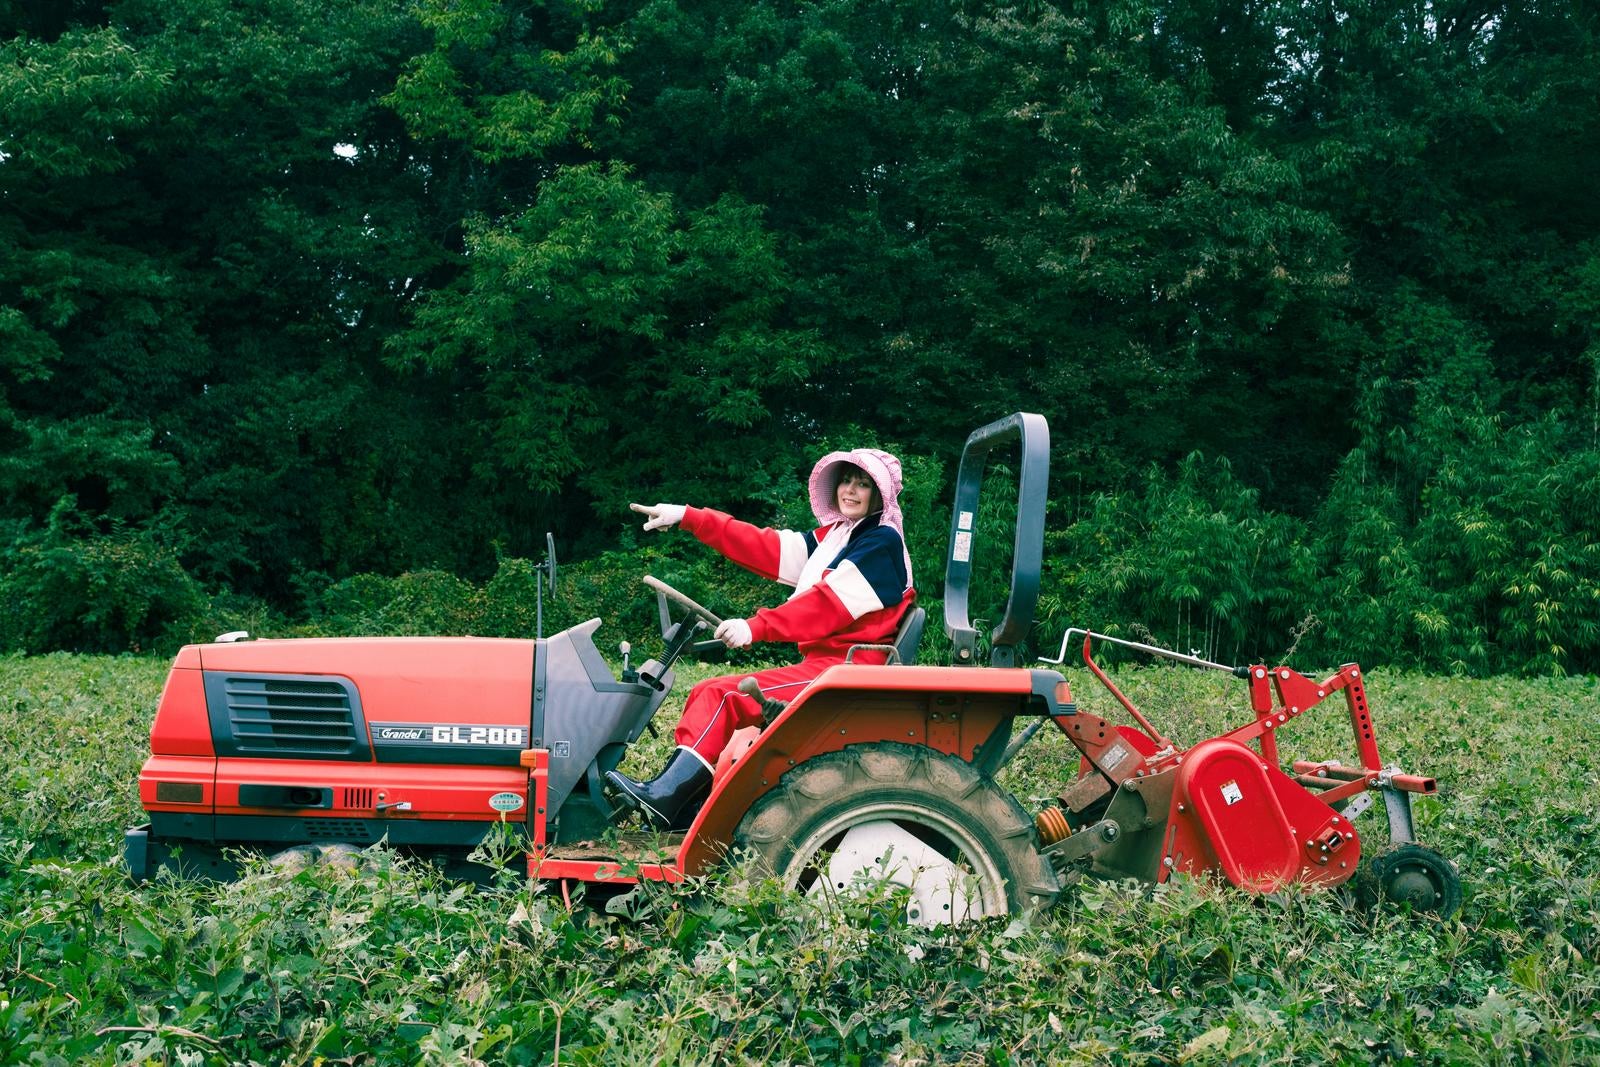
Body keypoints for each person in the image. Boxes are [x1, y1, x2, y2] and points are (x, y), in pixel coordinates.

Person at [607, 447, 917, 830]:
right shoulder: (839, 536)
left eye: (864, 484)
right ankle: (684, 810)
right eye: (847, 481)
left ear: (880, 495)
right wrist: (689, 517)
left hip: (847, 671)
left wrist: (755, 626)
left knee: (722, 695)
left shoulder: (881, 542)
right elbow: (766, 546)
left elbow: (824, 606)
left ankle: (667, 799)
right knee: (707, 692)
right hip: (829, 665)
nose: (850, 491)